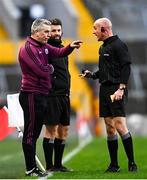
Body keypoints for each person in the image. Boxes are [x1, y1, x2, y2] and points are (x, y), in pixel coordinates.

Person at [18, 18, 82, 177]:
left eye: (50, 31)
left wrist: (70, 48)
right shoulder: (28, 48)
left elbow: (58, 52)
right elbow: (41, 70)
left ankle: (34, 168)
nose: (49, 35)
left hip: (41, 95)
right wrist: (50, 68)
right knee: (30, 134)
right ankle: (30, 169)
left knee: (35, 133)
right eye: (46, 32)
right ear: (36, 32)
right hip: (31, 95)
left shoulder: (43, 46)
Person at [80, 17, 138, 172]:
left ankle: (132, 163)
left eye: (95, 29)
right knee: (109, 127)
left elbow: (126, 68)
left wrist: (121, 88)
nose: (93, 32)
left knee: (119, 124)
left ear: (104, 29)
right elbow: (105, 70)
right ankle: (114, 165)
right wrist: (92, 75)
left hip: (116, 89)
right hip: (104, 89)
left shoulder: (119, 45)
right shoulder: (103, 47)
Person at [43, 18, 72, 172]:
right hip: (52, 96)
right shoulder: (45, 50)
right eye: (53, 30)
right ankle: (49, 166)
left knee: (64, 129)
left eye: (58, 30)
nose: (56, 33)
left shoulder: (63, 49)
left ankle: (59, 165)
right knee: (51, 130)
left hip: (65, 95)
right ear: (48, 33)